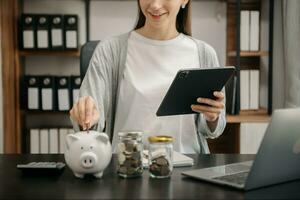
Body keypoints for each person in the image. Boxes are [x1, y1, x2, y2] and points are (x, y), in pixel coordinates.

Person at [70, 0, 226, 154]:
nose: (155, 5)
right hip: (128, 166)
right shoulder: (110, 50)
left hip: (188, 166)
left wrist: (212, 118)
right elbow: (87, 126)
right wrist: (85, 116)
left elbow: (214, 130)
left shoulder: (205, 54)